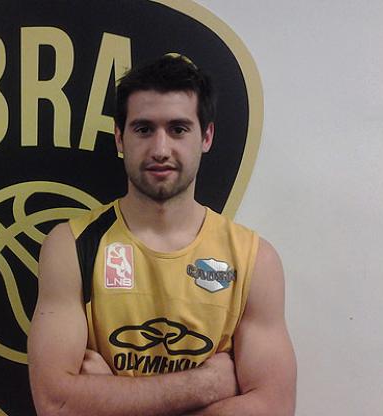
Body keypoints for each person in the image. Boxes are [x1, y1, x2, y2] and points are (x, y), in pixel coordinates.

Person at [27, 55, 296, 415]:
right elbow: (56, 403)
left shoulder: (253, 259)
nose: (160, 149)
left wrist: (107, 399)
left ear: (206, 137)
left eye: (178, 129)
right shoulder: (72, 246)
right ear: (120, 138)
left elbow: (274, 407)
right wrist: (204, 386)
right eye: (143, 129)